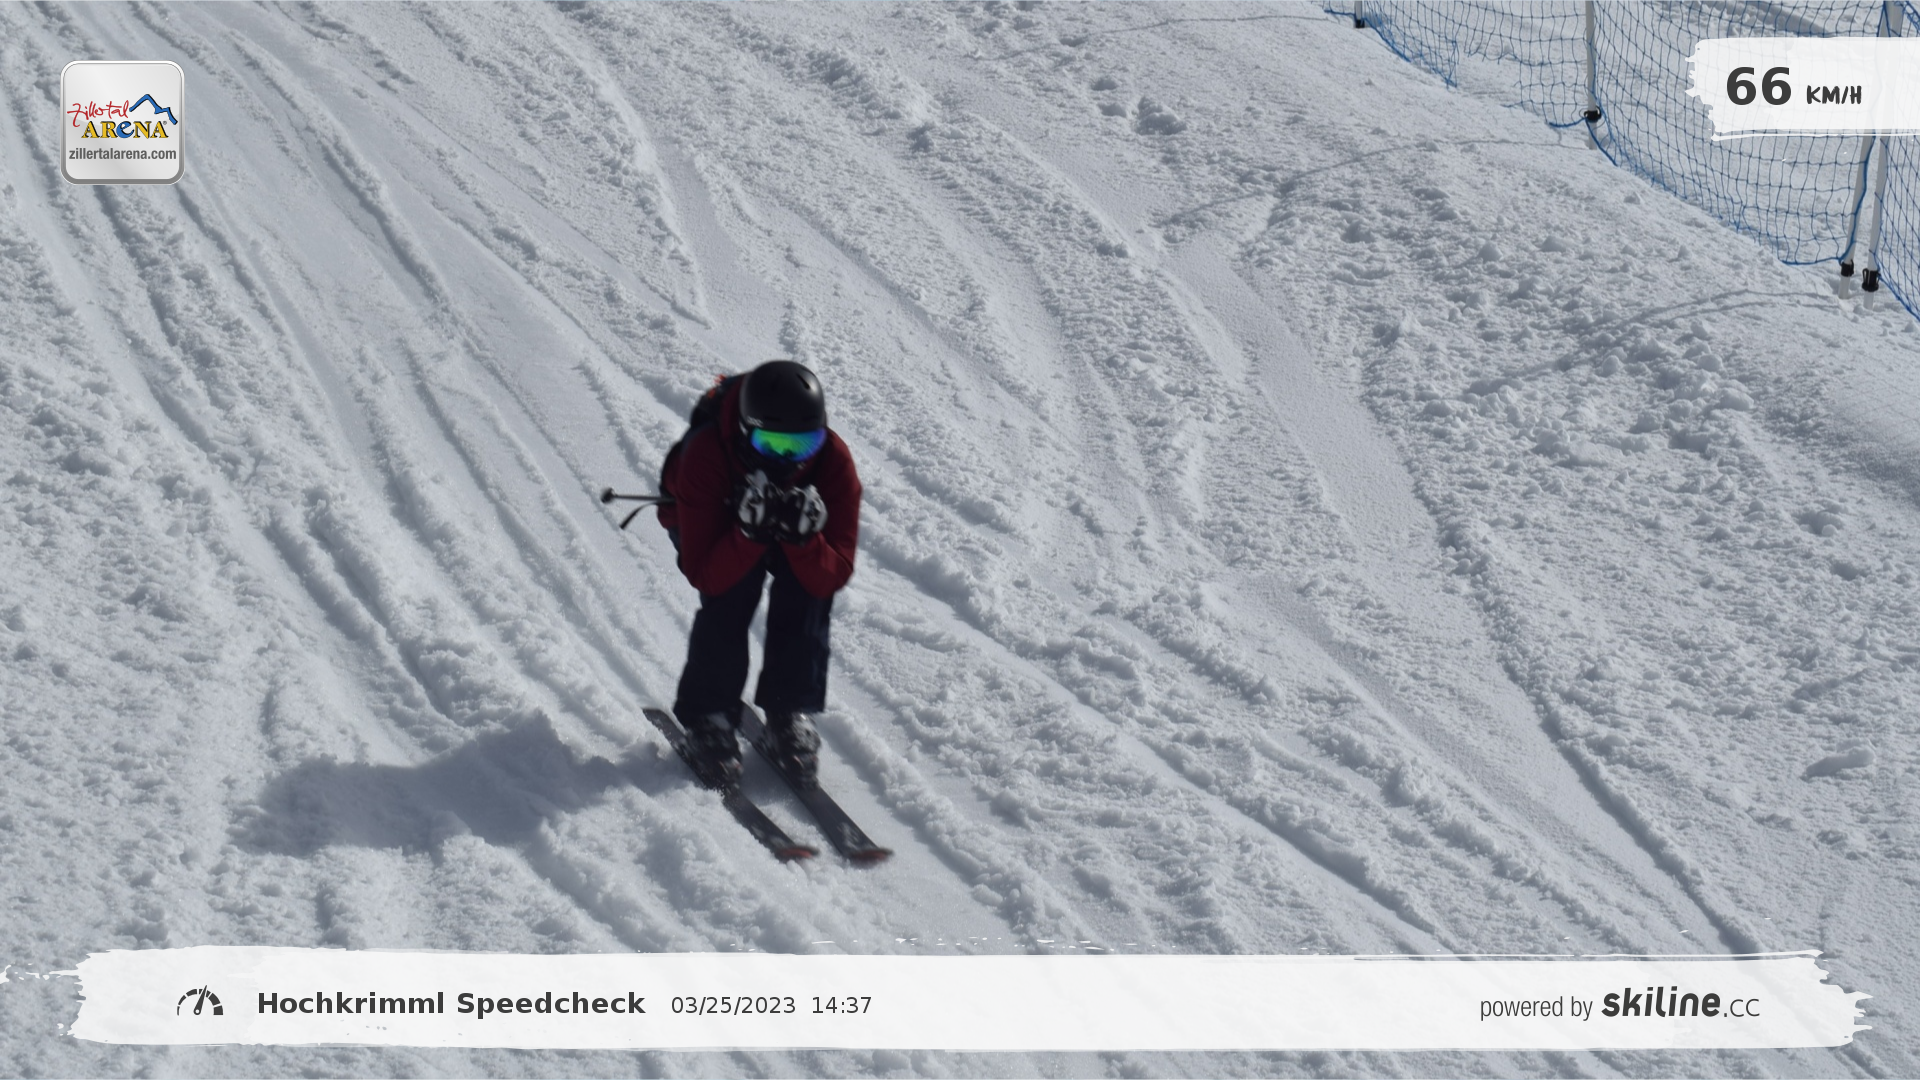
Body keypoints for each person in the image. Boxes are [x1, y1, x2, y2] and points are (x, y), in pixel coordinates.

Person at [657, 360, 861, 788]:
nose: (788, 459)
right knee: (730, 597)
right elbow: (705, 574)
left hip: (784, 527)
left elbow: (832, 574)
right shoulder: (706, 454)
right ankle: (709, 716)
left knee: (807, 593)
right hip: (709, 521)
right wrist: (748, 535)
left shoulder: (833, 461)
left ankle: (788, 710)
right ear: (745, 431)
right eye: (772, 444)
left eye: (803, 445)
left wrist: (805, 544)